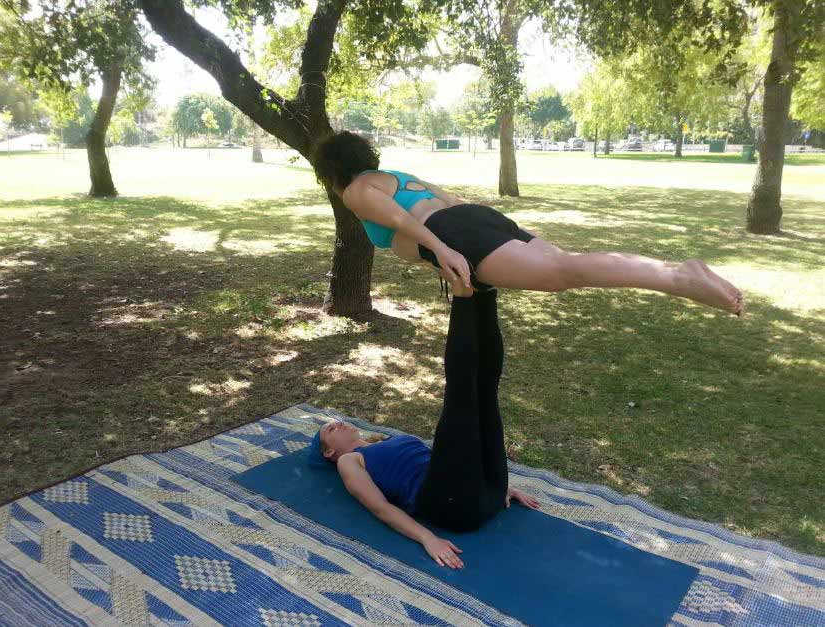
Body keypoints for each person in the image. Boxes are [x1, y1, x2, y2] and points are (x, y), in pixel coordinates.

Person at [312, 131, 744, 313]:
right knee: (567, 264)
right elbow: (454, 201)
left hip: (453, 233)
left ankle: (677, 278)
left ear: (333, 170)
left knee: (561, 275)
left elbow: (401, 220)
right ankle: (670, 270)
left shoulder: (355, 191)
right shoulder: (401, 176)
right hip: (476, 218)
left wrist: (442, 250)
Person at [308, 288, 539, 569]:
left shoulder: (381, 442)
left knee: (486, 389)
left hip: (483, 494)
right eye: (330, 429)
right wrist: (427, 538)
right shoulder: (348, 461)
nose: (338, 422)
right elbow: (380, 508)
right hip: (452, 508)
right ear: (329, 451)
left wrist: (501, 487)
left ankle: (484, 288)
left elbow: (456, 464)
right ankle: (464, 292)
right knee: (465, 394)